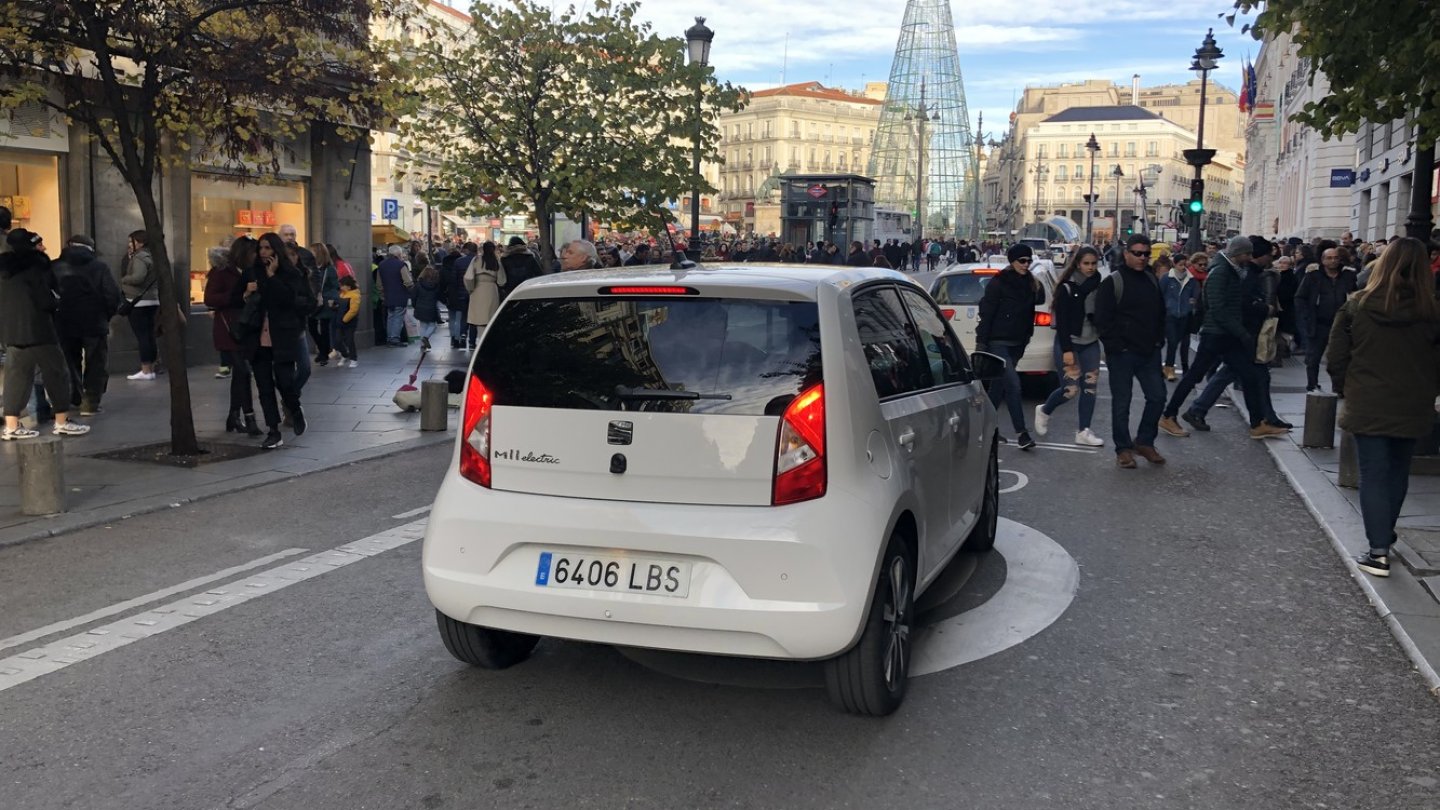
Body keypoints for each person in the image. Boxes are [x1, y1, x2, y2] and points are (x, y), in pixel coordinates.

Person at [1327, 237, 1440, 577]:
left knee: (1374, 475)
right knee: (1397, 472)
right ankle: (1384, 534)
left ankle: (1378, 551)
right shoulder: (1431, 312)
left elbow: (1336, 356)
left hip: (1368, 398)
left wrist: (1346, 388)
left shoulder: (1358, 305)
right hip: (1413, 401)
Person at [1160, 236, 1288, 440]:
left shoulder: (1232, 271)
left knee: (1249, 376)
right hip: (1216, 334)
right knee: (1195, 376)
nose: (1250, 257)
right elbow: (1217, 308)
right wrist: (1241, 332)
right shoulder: (1221, 272)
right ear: (1238, 253)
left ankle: (1257, 424)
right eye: (1247, 254)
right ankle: (1168, 415)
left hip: (1227, 334)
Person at [0, 230, 90, 439]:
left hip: (12, 331)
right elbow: (46, 298)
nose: (43, 248)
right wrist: (57, 302)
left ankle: (11, 426)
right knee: (57, 373)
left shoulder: (4, 269)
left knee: (16, 377)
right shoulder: (38, 266)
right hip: (39, 329)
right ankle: (62, 421)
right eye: (38, 245)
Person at [1094, 233, 1167, 468]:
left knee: (1157, 397)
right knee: (1122, 403)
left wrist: (1158, 340)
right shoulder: (1113, 282)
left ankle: (1145, 441)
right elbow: (1102, 319)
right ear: (1126, 254)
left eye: (1146, 254)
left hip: (1149, 351)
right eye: (1137, 253)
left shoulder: (1151, 279)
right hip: (1122, 353)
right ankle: (1123, 449)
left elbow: (1160, 312)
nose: (1142, 258)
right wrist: (1116, 346)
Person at [235, 232, 313, 449]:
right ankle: (273, 431)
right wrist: (245, 293)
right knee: (264, 387)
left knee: (285, 382)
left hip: (283, 336)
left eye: (268, 248)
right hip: (257, 336)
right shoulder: (252, 273)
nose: (263, 252)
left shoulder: (291, 274)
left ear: (276, 250)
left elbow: (290, 300)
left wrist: (271, 277)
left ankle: (294, 409)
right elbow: (235, 299)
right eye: (260, 248)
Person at [976, 243, 1045, 450]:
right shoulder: (998, 283)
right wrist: (981, 343)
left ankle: (984, 429)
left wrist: (1036, 279)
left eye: (1029, 261)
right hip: (998, 342)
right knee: (1013, 385)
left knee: (998, 387)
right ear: (1012, 261)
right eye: (1022, 261)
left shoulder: (1030, 283)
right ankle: (1022, 433)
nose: (1026, 264)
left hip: (1018, 343)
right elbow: (987, 314)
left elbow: (1040, 300)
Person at [1034, 246, 1105, 447]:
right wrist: (1066, 350)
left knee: (1090, 387)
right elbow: (1062, 322)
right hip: (1069, 342)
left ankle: (1084, 431)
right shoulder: (1067, 287)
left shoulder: (1099, 284)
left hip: (1091, 342)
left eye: (1094, 263)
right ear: (1078, 264)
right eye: (1086, 263)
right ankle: (1045, 410)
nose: (1090, 267)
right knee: (1070, 389)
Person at [52, 234, 121, 416]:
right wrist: (105, 315)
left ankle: (73, 397)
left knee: (68, 362)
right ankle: (90, 402)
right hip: (94, 322)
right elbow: (112, 295)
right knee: (96, 362)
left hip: (63, 323)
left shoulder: (54, 267)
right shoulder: (99, 267)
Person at [205, 240, 261, 436]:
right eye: (253, 252)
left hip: (247, 327)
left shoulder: (252, 270)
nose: (256, 256)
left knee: (240, 373)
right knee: (243, 371)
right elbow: (210, 298)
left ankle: (233, 416)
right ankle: (249, 417)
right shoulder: (221, 271)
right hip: (228, 329)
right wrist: (243, 293)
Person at [1295, 246, 1359, 391]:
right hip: (1319, 323)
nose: (1333, 261)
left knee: (1339, 357)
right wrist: (1307, 315)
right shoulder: (1313, 276)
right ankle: (1312, 384)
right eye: (1329, 258)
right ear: (1323, 260)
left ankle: (1339, 386)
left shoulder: (1347, 276)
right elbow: (1300, 297)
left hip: (1341, 323)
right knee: (1313, 357)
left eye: (1336, 258)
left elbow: (1354, 294)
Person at [120, 229, 159, 380]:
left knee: (142, 336)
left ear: (139, 242)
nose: (129, 244)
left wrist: (124, 279)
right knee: (149, 335)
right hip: (152, 299)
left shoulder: (140, 257)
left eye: (132, 241)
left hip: (138, 301)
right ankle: (151, 368)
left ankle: (146, 370)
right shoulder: (154, 256)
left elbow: (138, 277)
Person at [1160, 250, 1199, 381]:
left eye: (1185, 265)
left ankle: (1179, 367)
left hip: (1185, 315)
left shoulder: (1191, 280)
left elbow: (1195, 294)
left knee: (1183, 343)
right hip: (1170, 315)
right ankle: (1169, 367)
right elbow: (1160, 294)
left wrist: (1192, 302)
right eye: (1180, 265)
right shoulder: (1167, 278)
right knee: (1172, 341)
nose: (1183, 267)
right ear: (1174, 264)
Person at [465, 241, 506, 347]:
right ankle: (487, 341)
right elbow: (502, 281)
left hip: (477, 290)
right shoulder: (496, 261)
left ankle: (474, 342)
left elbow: (468, 277)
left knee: (476, 318)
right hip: (491, 291)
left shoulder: (476, 260)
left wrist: (470, 289)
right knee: (490, 318)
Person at [309, 243, 341, 366]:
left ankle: (323, 354)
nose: (310, 254)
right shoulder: (311, 267)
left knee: (324, 328)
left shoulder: (329, 269)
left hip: (325, 301)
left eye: (312, 251)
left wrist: (331, 299)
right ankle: (324, 350)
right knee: (311, 327)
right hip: (313, 300)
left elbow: (335, 286)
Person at [376, 244, 413, 347]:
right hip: (400, 296)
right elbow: (408, 282)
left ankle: (390, 338)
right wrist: (410, 290)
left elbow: (379, 284)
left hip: (387, 297)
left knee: (390, 317)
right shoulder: (401, 265)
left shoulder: (381, 265)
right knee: (398, 318)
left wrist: (382, 295)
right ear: (398, 254)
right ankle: (394, 338)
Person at [442, 242, 474, 349]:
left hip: (455, 294)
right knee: (465, 318)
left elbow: (452, 280)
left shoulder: (454, 264)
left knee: (455, 318)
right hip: (469, 293)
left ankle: (455, 338)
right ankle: (464, 338)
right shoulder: (472, 262)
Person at [410, 263, 442, 351]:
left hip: (420, 307)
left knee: (423, 326)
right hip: (431, 308)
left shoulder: (418, 284)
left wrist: (415, 305)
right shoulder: (436, 285)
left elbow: (413, 296)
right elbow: (439, 296)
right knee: (433, 325)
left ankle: (423, 345)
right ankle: (426, 337)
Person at [335, 275, 362, 367]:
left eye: (343, 285)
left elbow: (353, 310)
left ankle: (353, 359)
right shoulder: (342, 294)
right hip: (340, 321)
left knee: (349, 340)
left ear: (349, 286)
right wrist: (334, 307)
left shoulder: (354, 295)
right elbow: (340, 307)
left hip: (349, 322)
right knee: (338, 340)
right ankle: (345, 355)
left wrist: (344, 319)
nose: (341, 287)